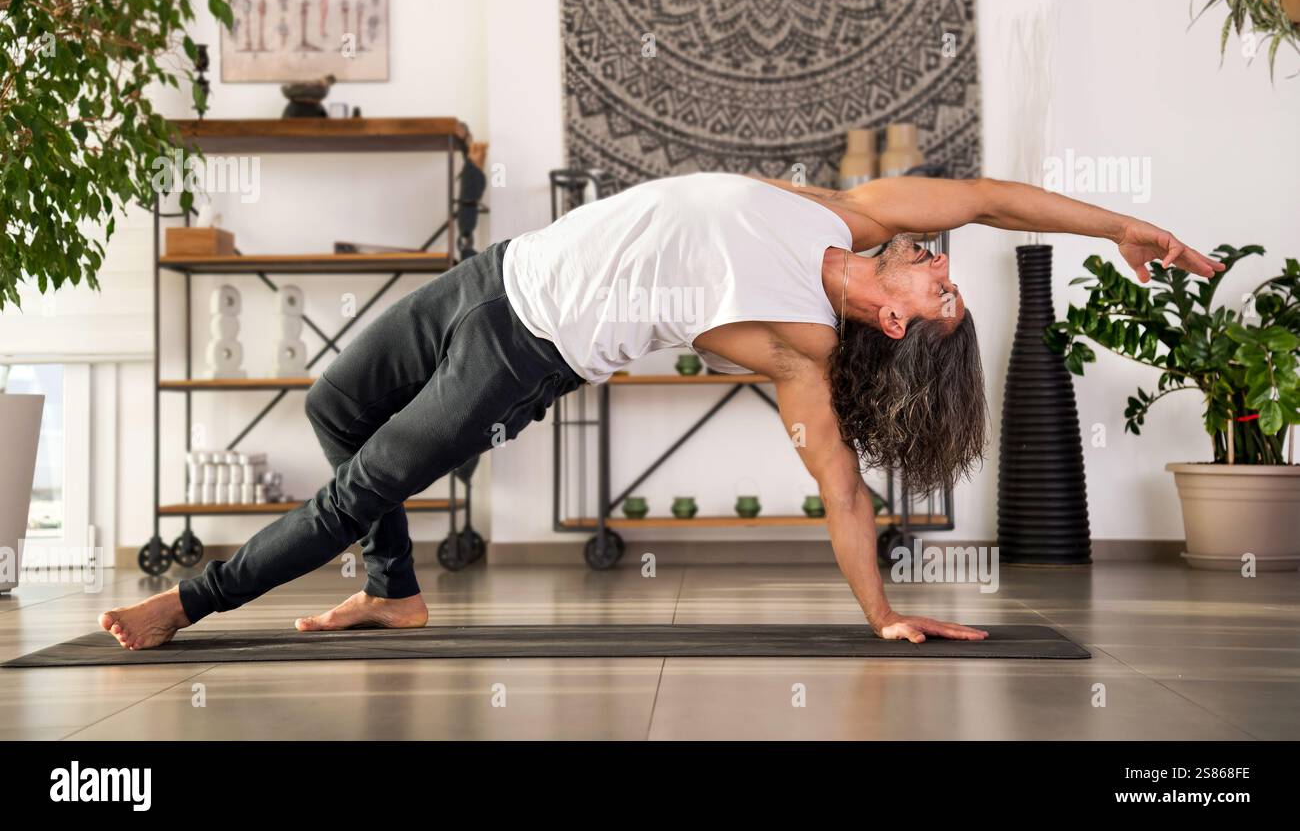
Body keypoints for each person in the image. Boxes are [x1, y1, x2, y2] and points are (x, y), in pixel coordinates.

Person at [100, 171, 1223, 649]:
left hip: (519, 357)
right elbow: (989, 194)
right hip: (496, 274)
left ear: (897, 325)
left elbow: (836, 482)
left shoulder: (802, 345)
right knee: (332, 400)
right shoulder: (848, 213)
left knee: (360, 485)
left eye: (942, 291)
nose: (941, 265)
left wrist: (880, 607)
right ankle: (395, 596)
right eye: (946, 272)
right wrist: (1119, 224)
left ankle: (188, 606)